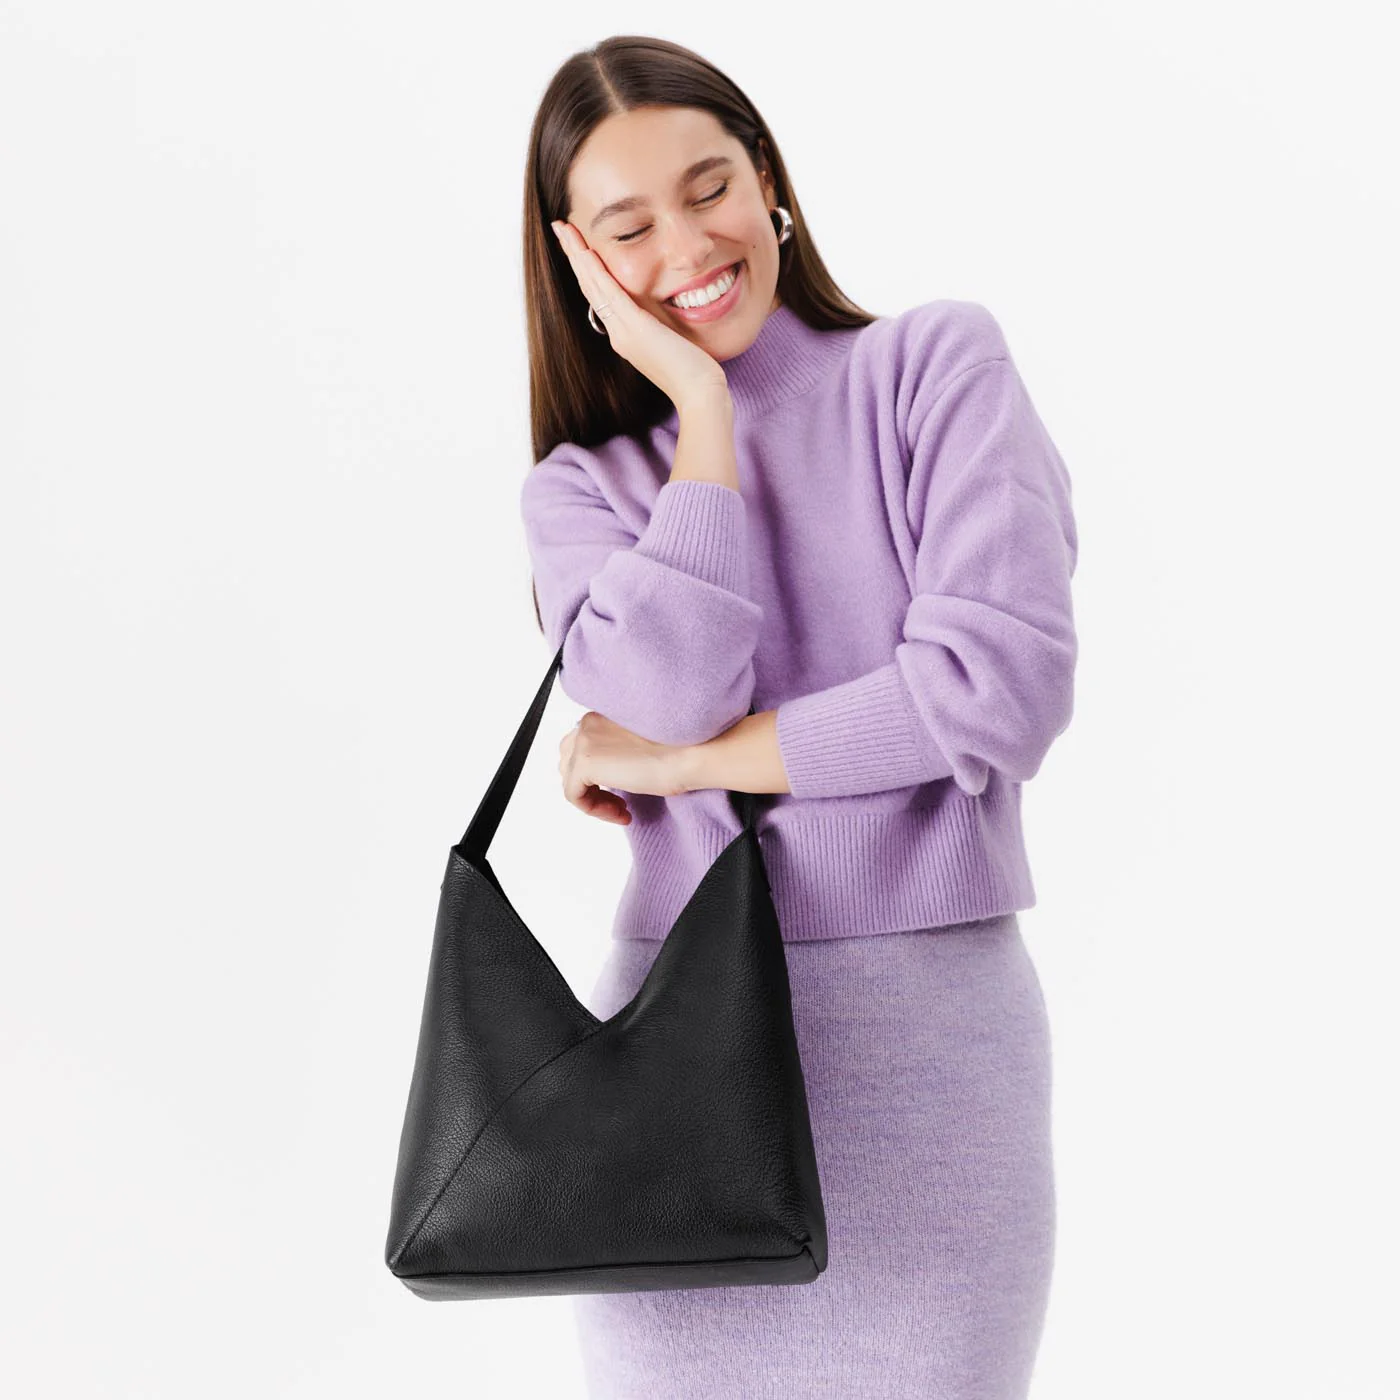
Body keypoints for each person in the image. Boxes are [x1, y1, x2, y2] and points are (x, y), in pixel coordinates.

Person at [518, 35, 1078, 1400]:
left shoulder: (932, 368)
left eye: (709, 187)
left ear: (768, 180)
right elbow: (670, 687)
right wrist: (702, 408)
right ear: (578, 263)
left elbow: (994, 690)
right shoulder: (582, 489)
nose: (688, 246)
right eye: (629, 228)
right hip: (672, 1069)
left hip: (931, 1057)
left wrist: (690, 769)